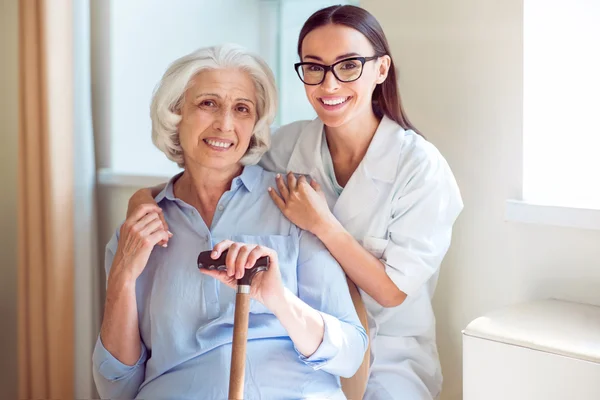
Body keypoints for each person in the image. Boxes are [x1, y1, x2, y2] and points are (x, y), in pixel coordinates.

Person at [127, 5, 463, 399]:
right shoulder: (287, 146)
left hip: (390, 350)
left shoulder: (420, 168)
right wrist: (141, 199)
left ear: (382, 69)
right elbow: (212, 169)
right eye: (315, 67)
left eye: (349, 65)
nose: (330, 84)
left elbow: (391, 292)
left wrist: (323, 224)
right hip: (298, 345)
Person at [93, 43, 368, 400]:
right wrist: (122, 278)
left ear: (254, 124)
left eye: (242, 109)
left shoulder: (293, 206)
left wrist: (278, 299)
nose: (225, 123)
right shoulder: (137, 231)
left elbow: (349, 354)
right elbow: (116, 388)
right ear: (176, 113)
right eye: (208, 103)